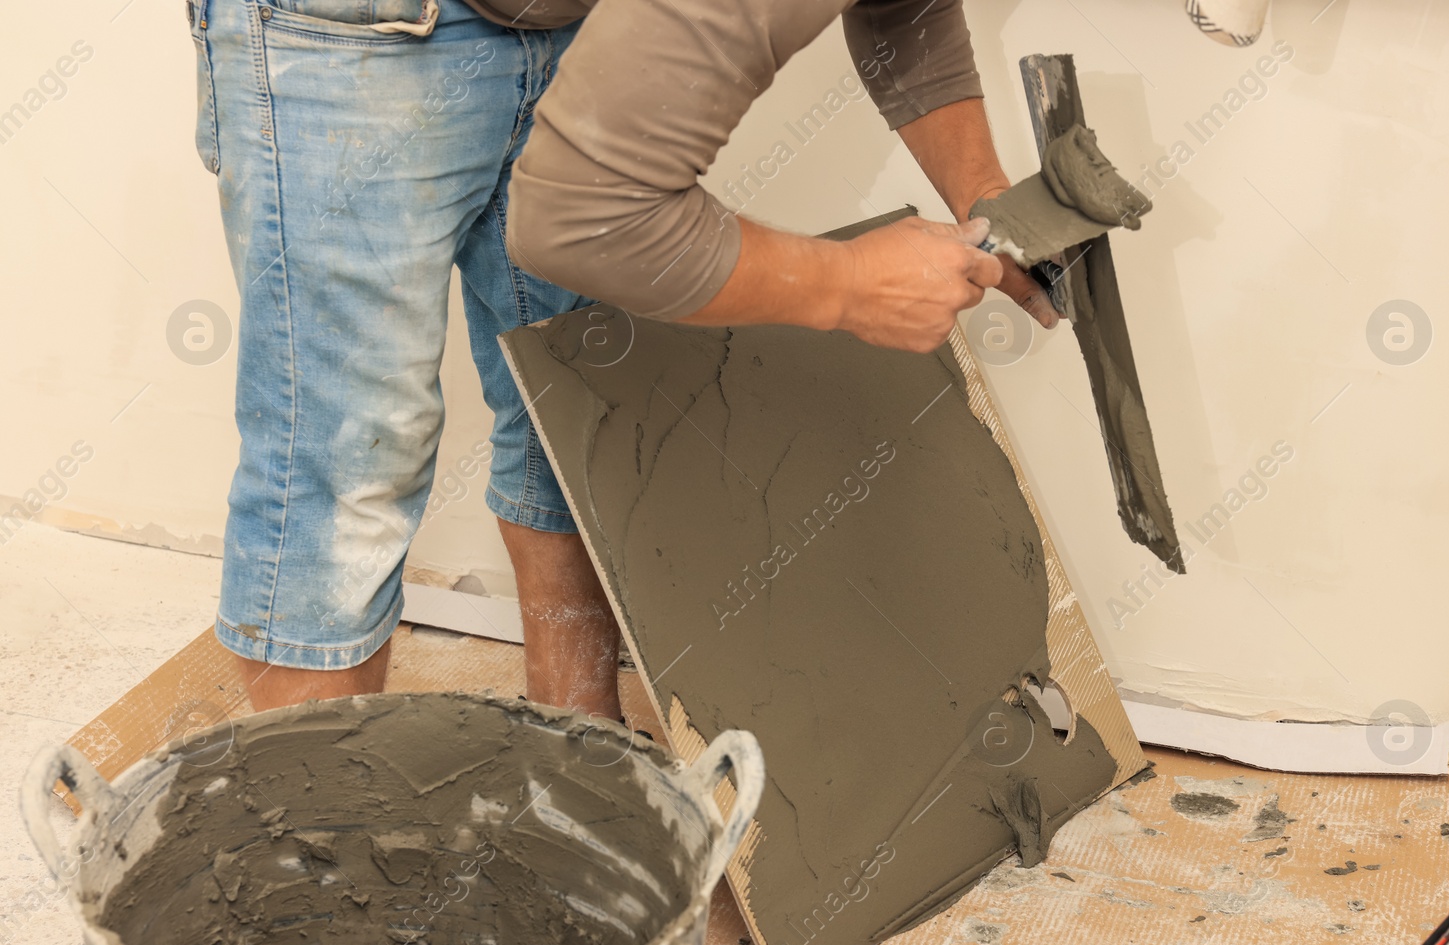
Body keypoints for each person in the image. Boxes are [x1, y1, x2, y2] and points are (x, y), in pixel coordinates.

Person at [196, 0, 1052, 721]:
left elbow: (907, 7)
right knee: (347, 460)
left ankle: (572, 753)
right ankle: (313, 842)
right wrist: (852, 285)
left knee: (577, 405)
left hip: (562, 21)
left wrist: (987, 198)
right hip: (352, 30)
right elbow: (589, 217)